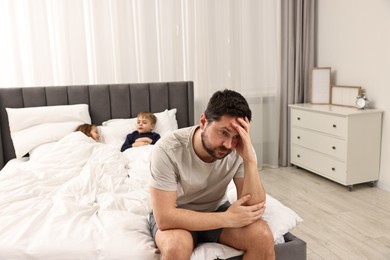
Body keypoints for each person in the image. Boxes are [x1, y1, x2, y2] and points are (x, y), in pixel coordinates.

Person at [149, 89, 275, 260]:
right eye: (223, 132)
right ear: (203, 122)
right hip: (178, 217)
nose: (229, 145)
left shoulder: (239, 149)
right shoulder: (167, 149)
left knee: (263, 236)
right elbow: (165, 218)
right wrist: (227, 218)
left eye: (237, 136)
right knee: (176, 247)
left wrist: (250, 160)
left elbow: (254, 208)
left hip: (215, 209)